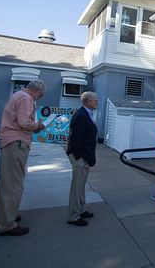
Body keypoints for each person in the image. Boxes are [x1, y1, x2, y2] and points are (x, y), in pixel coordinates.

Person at [0, 80, 46, 236]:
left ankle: (3, 216)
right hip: (16, 142)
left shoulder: (17, 95)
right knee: (14, 183)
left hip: (10, 141)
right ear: (38, 92)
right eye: (40, 96)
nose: (38, 99)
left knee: (6, 182)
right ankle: (8, 224)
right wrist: (38, 126)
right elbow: (24, 122)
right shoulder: (26, 98)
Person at [66, 91, 99, 226]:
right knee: (77, 186)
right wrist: (79, 157)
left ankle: (80, 210)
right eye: (94, 100)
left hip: (84, 155)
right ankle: (73, 216)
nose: (97, 102)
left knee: (81, 185)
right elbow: (75, 139)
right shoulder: (81, 115)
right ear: (87, 101)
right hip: (79, 156)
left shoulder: (87, 114)